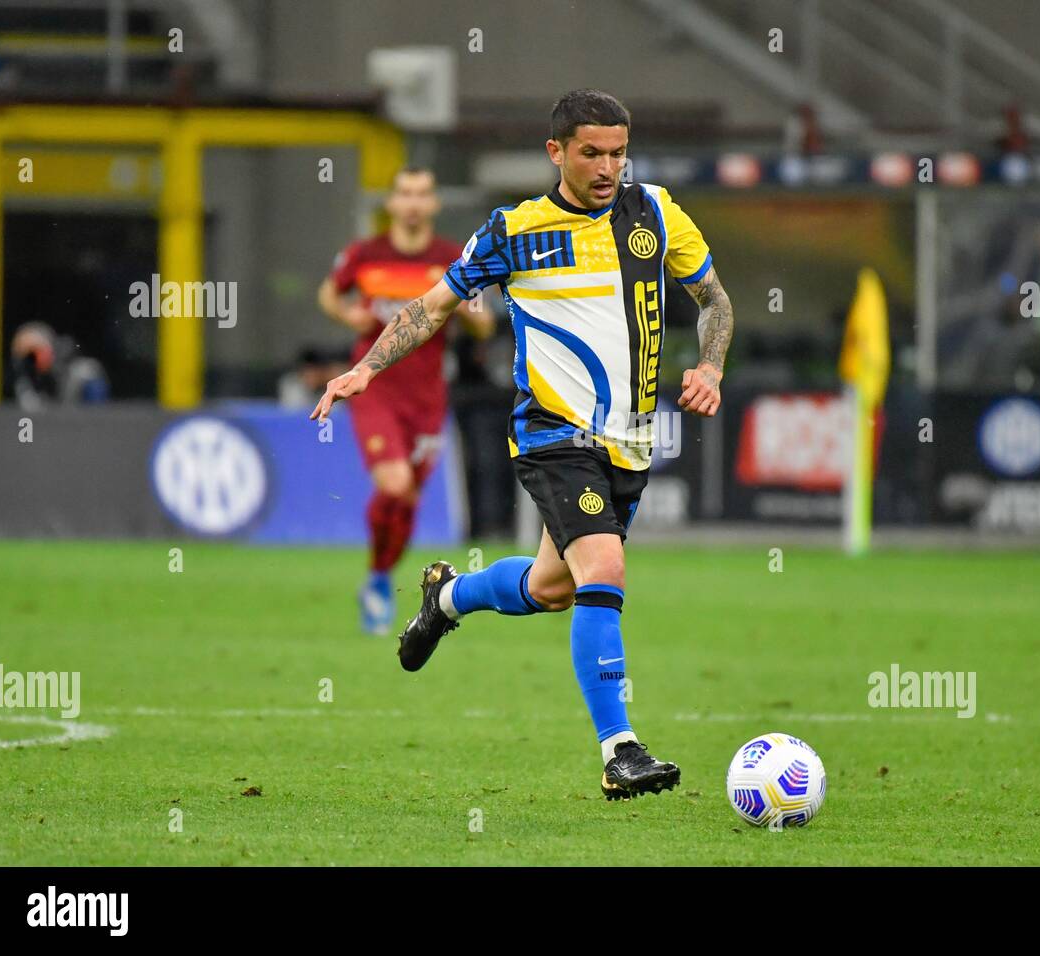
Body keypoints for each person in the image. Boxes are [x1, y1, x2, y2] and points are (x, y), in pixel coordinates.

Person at [311, 90, 735, 800]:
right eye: (591, 153)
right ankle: (619, 750)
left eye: (618, 153)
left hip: (630, 443)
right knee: (605, 566)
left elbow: (715, 300)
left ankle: (447, 600)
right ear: (557, 153)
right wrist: (364, 368)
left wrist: (712, 364)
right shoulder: (514, 231)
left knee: (553, 588)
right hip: (552, 434)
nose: (607, 168)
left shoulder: (656, 212)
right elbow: (432, 307)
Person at [317, 167, 494, 634]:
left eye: (422, 195)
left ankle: (378, 576)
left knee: (408, 496)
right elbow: (329, 293)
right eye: (405, 195)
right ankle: (378, 580)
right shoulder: (365, 254)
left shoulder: (452, 257)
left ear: (433, 205)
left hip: (428, 395)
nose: (413, 203)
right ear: (392, 204)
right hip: (376, 388)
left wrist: (472, 313)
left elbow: (485, 319)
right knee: (394, 484)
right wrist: (348, 314)